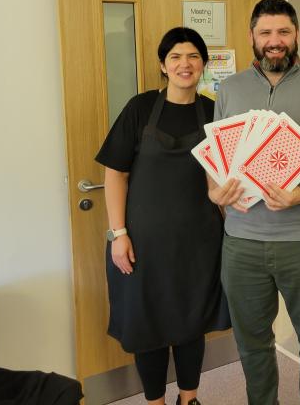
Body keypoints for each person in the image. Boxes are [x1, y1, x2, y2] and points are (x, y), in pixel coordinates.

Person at [207, 0, 300, 405]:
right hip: (241, 243)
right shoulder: (229, 89)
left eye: (283, 31)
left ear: (296, 34)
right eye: (266, 32)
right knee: (252, 344)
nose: (275, 40)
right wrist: (214, 191)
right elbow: (215, 155)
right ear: (252, 37)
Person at [96, 27, 229, 405]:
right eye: (175, 57)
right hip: (142, 243)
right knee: (146, 327)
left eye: (193, 56)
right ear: (163, 65)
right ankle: (154, 401)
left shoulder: (214, 113)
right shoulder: (140, 108)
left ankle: (189, 398)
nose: (185, 64)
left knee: (192, 323)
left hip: (200, 241)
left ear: (203, 64)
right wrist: (118, 233)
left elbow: (224, 176)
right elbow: (115, 174)